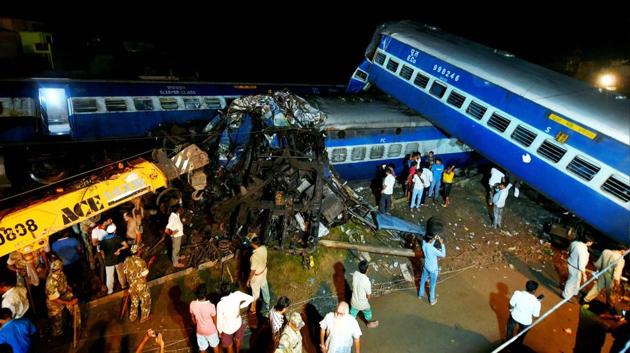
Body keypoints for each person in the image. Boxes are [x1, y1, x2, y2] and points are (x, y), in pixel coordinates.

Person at [45, 259, 80, 338]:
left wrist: (69, 290)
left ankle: (77, 326)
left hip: (64, 294)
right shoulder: (50, 282)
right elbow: (54, 299)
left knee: (75, 308)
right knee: (57, 321)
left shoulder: (61, 273)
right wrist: (70, 302)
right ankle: (58, 336)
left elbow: (65, 283)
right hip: (53, 302)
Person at [216, 283, 253, 353]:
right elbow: (251, 298)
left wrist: (220, 332)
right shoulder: (237, 294)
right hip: (237, 324)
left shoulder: (220, 304)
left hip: (227, 329)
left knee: (229, 345)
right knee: (238, 340)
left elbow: (219, 320)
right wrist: (241, 306)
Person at [506, 280, 541, 349]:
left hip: (514, 316)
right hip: (526, 322)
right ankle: (516, 347)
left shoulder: (517, 293)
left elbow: (511, 305)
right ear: (534, 290)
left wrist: (511, 311)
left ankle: (508, 346)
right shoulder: (536, 302)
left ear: (526, 287)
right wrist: (537, 303)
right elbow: (536, 315)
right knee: (521, 336)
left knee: (510, 330)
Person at [418, 217, 445, 305]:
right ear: (431, 240)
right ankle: (432, 300)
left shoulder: (424, 245)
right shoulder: (434, 250)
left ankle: (420, 294)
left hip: (426, 267)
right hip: (433, 270)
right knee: (432, 286)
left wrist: (434, 238)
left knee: (422, 280)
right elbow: (443, 255)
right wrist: (442, 244)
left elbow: (429, 243)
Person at [123, 244, 151, 323]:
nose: (141, 250)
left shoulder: (126, 260)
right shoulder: (141, 261)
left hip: (131, 286)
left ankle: (132, 317)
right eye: (140, 249)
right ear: (138, 251)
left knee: (134, 301)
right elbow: (145, 275)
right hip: (141, 286)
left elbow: (125, 272)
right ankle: (144, 318)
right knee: (145, 301)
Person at [562, 233, 594, 299]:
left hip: (570, 263)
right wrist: (584, 274)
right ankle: (565, 296)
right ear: (588, 242)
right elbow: (581, 264)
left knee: (576, 280)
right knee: (571, 281)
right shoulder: (583, 250)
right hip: (576, 267)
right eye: (591, 242)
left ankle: (574, 292)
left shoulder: (574, 243)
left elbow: (569, 250)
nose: (591, 244)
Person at [190, 285, 219, 353]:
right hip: (211, 331)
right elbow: (214, 319)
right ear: (206, 294)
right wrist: (217, 329)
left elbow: (192, 318)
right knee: (215, 346)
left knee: (202, 349)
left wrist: (197, 324)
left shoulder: (192, 304)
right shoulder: (211, 306)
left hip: (200, 331)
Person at [100, 224, 129, 295]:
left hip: (108, 261)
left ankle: (110, 290)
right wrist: (120, 249)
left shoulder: (103, 240)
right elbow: (126, 245)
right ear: (114, 231)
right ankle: (123, 285)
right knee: (121, 274)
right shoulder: (118, 238)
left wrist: (104, 258)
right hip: (118, 259)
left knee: (109, 276)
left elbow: (102, 252)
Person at [350, 260, 379, 328]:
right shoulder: (366, 281)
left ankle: (349, 326)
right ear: (367, 269)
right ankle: (369, 323)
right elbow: (369, 296)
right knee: (368, 313)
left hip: (353, 301)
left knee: (352, 314)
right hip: (363, 304)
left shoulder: (355, 274)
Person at [246, 236, 269, 316]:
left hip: (257, 276)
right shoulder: (264, 248)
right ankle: (267, 302)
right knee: (264, 286)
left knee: (255, 293)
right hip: (264, 271)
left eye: (252, 243)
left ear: (254, 245)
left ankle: (253, 309)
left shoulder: (254, 257)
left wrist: (248, 280)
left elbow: (253, 270)